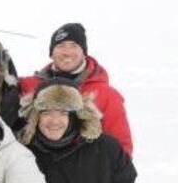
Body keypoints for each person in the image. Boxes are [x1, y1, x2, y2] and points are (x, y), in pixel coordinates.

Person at [19, 23, 133, 156]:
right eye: (60, 45)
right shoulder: (28, 86)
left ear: (84, 52)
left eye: (74, 45)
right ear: (51, 53)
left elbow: (122, 150)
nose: (67, 52)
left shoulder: (107, 95)